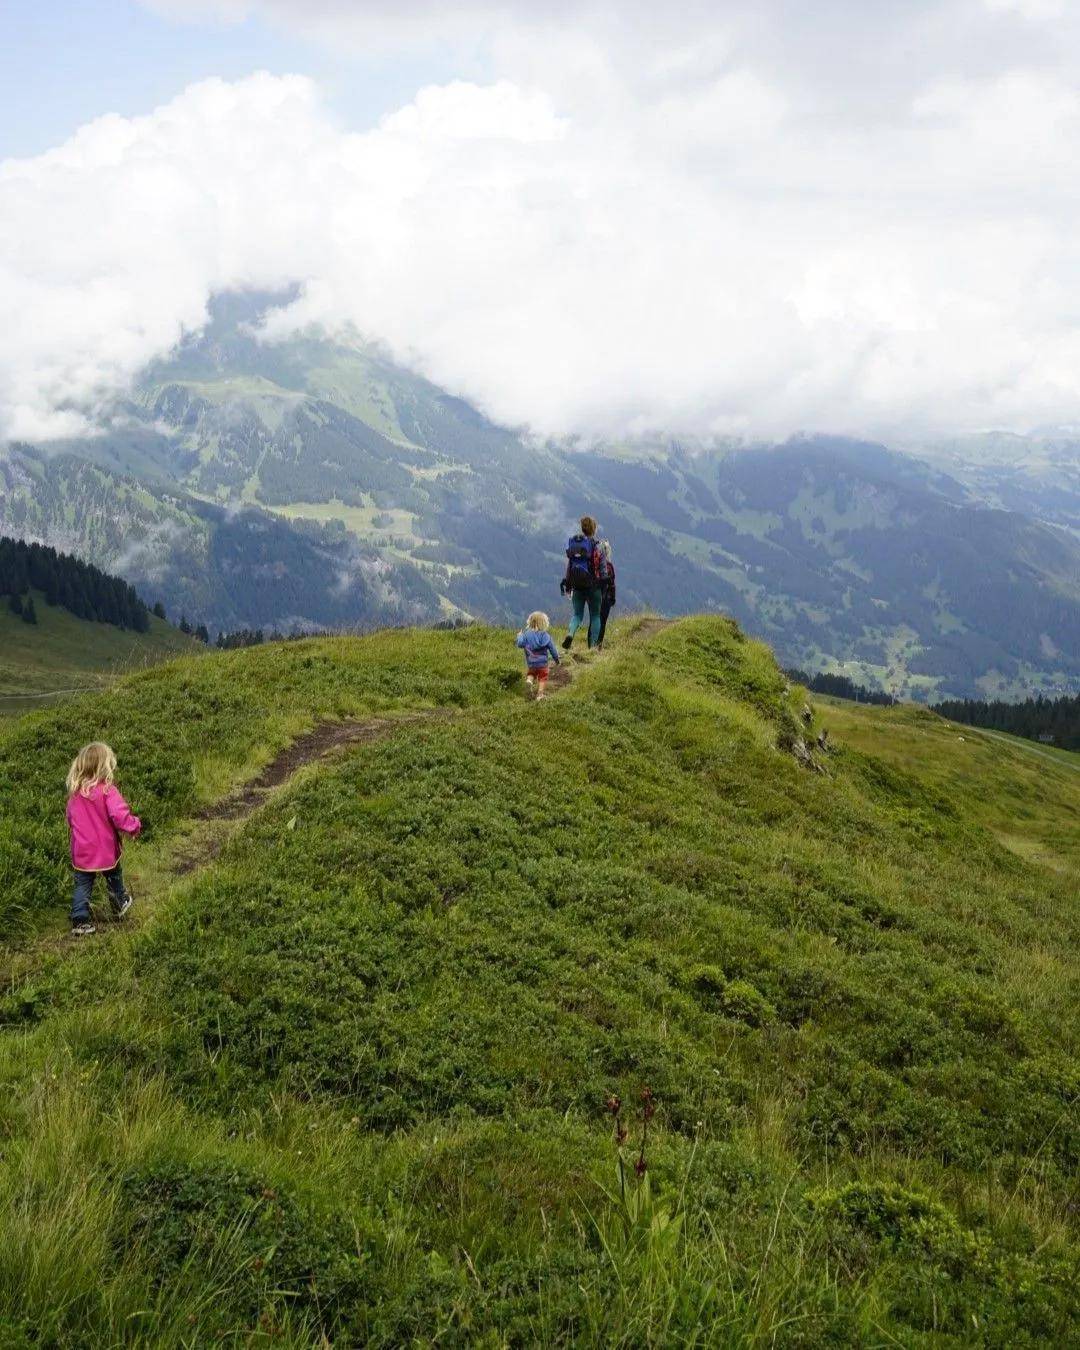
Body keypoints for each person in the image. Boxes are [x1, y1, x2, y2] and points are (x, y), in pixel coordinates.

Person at [65, 741, 141, 937]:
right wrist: (134, 825)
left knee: (83, 883)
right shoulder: (108, 790)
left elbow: (70, 819)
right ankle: (119, 903)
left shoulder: (75, 794)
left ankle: (80, 920)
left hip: (82, 850)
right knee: (113, 873)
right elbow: (119, 816)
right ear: (105, 766)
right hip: (105, 848)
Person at [560, 515, 607, 650]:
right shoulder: (598, 546)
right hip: (594, 587)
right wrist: (604, 586)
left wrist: (568, 584)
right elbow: (603, 571)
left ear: (582, 528)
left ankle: (570, 634)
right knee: (595, 616)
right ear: (594, 529)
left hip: (577, 585)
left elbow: (569, 567)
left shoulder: (575, 546)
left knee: (577, 615)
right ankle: (592, 647)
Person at [516, 610, 561, 700]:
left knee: (531, 674)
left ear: (530, 622)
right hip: (543, 664)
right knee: (542, 678)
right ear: (544, 623)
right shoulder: (546, 636)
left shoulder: (526, 635)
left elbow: (520, 644)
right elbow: (553, 650)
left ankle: (529, 681)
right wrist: (557, 660)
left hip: (531, 663)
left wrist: (520, 636)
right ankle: (540, 695)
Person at [596, 538, 616, 649]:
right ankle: (599, 645)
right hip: (606, 598)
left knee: (594, 620)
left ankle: (591, 644)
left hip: (595, 596)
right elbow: (612, 584)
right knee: (603, 622)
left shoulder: (594, 566)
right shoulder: (609, 566)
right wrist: (613, 598)